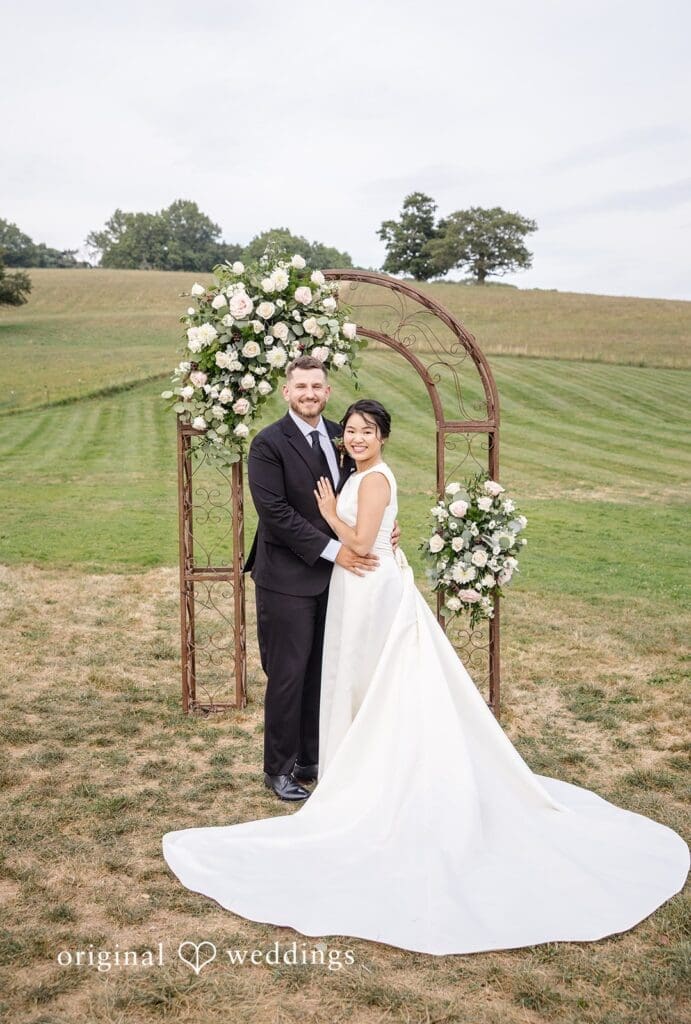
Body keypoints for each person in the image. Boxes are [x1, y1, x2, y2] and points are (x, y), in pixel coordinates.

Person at [163, 399, 689, 956]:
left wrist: (333, 515)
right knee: (360, 675)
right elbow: (372, 526)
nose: (357, 438)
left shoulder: (370, 477)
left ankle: (370, 766)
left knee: (376, 676)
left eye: (368, 432)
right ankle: (336, 757)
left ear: (383, 437)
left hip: (365, 582)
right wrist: (365, 526)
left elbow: (362, 543)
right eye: (353, 431)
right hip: (363, 582)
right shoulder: (353, 467)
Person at [243, 356, 399, 801]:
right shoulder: (268, 444)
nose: (310, 394)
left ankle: (312, 756)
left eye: (317, 386)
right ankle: (279, 768)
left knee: (323, 669)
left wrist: (379, 526)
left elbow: (361, 495)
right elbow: (276, 514)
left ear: (327, 392)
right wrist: (338, 551)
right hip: (287, 577)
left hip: (338, 580)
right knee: (289, 673)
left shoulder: (342, 435)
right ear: (286, 392)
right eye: (301, 387)